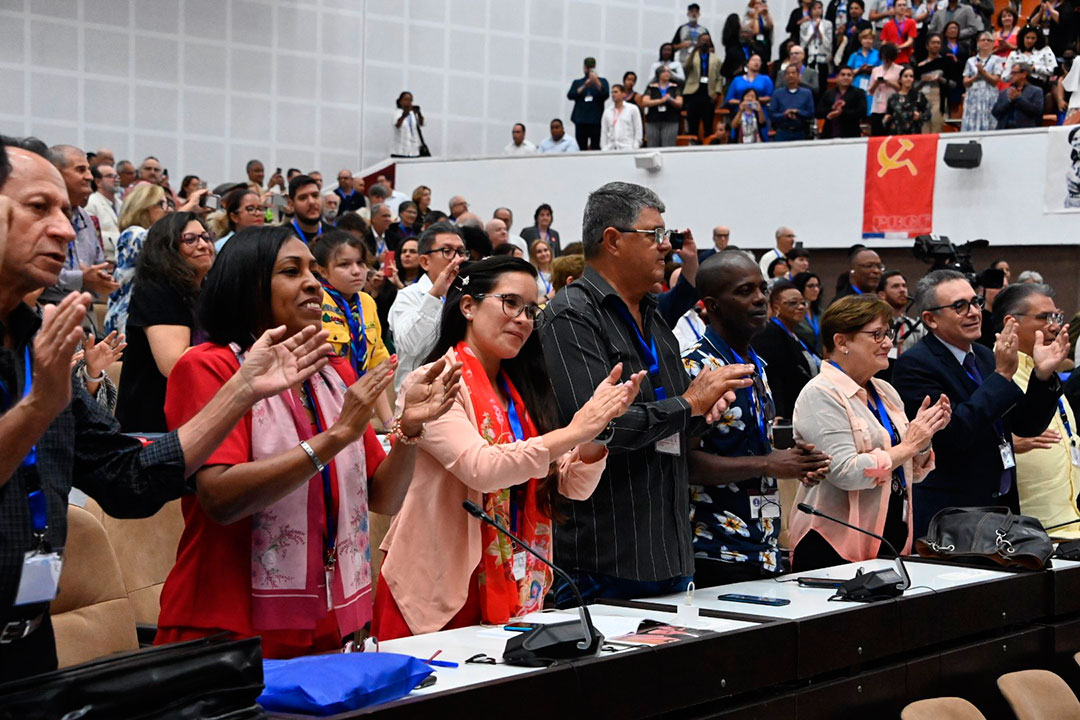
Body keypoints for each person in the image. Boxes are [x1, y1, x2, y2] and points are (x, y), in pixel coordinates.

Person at [0, 140, 335, 679]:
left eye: (66, 211)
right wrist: (39, 406)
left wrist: (241, 391)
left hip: (26, 645)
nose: (65, 230)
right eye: (40, 208)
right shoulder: (49, 360)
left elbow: (125, 478)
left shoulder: (37, 339)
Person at [154, 225, 457, 658]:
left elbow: (384, 497)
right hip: (228, 626)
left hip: (327, 619)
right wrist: (334, 439)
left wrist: (409, 430)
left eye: (314, 270)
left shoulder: (332, 373)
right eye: (291, 271)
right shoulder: (208, 367)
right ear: (248, 284)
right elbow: (220, 499)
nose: (313, 282)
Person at [372, 256, 641, 637]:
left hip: (513, 580)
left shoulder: (520, 392)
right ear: (468, 306)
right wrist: (576, 429)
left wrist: (597, 429)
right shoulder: (433, 383)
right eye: (510, 303)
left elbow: (573, 486)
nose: (523, 319)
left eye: (532, 309)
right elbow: (482, 469)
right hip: (440, 586)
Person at [540, 181, 754, 603]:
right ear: (614, 240)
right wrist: (689, 403)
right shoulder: (570, 316)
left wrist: (702, 412)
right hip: (604, 558)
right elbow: (601, 431)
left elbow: (673, 425)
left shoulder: (656, 320)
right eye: (654, 234)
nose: (666, 246)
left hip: (670, 549)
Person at [683, 254, 831, 586]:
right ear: (713, 305)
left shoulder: (756, 364)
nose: (760, 298)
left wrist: (796, 460)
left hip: (762, 545)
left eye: (762, 288)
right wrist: (767, 464)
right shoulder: (696, 368)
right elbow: (685, 463)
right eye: (745, 290)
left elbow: (747, 445)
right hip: (714, 549)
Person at [892, 270, 1069, 537]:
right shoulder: (915, 365)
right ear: (930, 319)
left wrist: (1042, 377)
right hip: (951, 512)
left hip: (1000, 503)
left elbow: (1025, 425)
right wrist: (1000, 377)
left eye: (975, 302)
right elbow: (952, 436)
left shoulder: (985, 356)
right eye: (959, 307)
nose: (974, 312)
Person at [790, 296, 950, 570]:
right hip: (832, 544)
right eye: (877, 334)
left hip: (890, 536)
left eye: (887, 333)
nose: (888, 343)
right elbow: (846, 472)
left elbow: (914, 470)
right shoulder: (821, 393)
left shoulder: (885, 391)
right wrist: (910, 445)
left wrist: (924, 438)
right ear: (842, 342)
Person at [991, 284, 1080, 540]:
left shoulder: (1047, 371)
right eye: (1044, 317)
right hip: (1028, 532)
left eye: (1056, 318)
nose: (1054, 326)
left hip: (1071, 523)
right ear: (1012, 322)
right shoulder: (996, 374)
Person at [114, 212, 213, 433]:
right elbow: (175, 364)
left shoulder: (206, 291)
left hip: (196, 416)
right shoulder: (156, 290)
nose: (204, 245)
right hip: (154, 426)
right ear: (166, 248)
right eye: (190, 239)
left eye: (206, 237)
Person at [312, 230, 393, 426]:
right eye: (344, 265)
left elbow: (376, 369)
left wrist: (390, 423)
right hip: (325, 412)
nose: (356, 271)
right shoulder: (315, 302)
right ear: (323, 271)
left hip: (361, 411)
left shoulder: (366, 302)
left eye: (361, 263)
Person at [389, 222, 468, 391]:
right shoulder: (408, 296)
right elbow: (411, 347)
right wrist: (434, 295)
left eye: (461, 252)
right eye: (447, 251)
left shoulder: (466, 297)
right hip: (419, 396)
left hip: (462, 390)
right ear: (425, 261)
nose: (456, 259)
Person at [104, 182, 169, 336]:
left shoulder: (164, 239)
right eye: (162, 204)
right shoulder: (130, 234)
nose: (168, 210)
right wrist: (184, 214)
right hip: (126, 322)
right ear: (145, 207)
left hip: (151, 316)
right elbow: (150, 241)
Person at [753, 281, 821, 419]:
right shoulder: (768, 335)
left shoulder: (796, 335)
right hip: (786, 412)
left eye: (803, 303)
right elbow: (774, 378)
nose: (801, 307)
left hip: (808, 406)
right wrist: (778, 414)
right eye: (793, 303)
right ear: (776, 307)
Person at [962, 33, 1008, 132]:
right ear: (978, 43)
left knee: (989, 120)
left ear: (992, 44)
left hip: (989, 95)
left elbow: (995, 80)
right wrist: (976, 76)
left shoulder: (996, 60)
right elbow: (965, 82)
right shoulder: (971, 61)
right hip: (973, 95)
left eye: (989, 40)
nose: (986, 42)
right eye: (983, 40)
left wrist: (983, 72)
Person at [683, 33, 724, 138]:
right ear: (698, 42)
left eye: (707, 40)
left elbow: (719, 77)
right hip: (693, 93)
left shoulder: (716, 59)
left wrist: (717, 92)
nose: (705, 42)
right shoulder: (693, 56)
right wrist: (693, 51)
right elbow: (686, 67)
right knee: (692, 123)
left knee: (708, 124)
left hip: (708, 94)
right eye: (702, 40)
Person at [916, 33, 959, 133]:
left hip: (938, 97)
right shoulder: (920, 65)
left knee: (936, 125)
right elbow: (914, 86)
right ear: (927, 46)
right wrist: (923, 80)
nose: (936, 45)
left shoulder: (946, 62)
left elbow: (954, 84)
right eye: (933, 43)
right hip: (923, 98)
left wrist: (940, 79)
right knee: (924, 128)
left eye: (938, 43)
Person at [878, 270, 926, 358]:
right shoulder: (875, 325)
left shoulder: (916, 326)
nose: (902, 290)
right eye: (895, 286)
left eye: (904, 286)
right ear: (882, 295)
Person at [567, 58, 610, 151]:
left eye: (591, 68)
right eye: (587, 68)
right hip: (581, 120)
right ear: (584, 68)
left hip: (596, 120)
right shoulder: (578, 82)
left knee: (596, 146)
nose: (588, 70)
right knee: (581, 147)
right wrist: (584, 86)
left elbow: (606, 94)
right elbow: (570, 95)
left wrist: (597, 82)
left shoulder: (602, 81)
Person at [818, 66, 870, 137]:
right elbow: (819, 112)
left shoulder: (859, 93)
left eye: (849, 75)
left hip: (851, 134)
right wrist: (832, 109)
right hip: (829, 134)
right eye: (843, 75)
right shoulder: (828, 93)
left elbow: (862, 112)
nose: (846, 77)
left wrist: (842, 112)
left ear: (852, 78)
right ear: (837, 77)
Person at [769, 64, 817, 141]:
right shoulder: (777, 93)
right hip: (782, 132)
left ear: (798, 76)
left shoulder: (807, 93)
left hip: (801, 132)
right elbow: (772, 114)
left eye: (793, 73)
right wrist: (784, 114)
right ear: (785, 76)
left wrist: (798, 112)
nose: (790, 75)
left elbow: (811, 113)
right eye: (788, 73)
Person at [993, 62, 1046, 129]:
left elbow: (1037, 111)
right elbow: (995, 112)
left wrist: (1018, 99)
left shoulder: (1036, 91)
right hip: (1004, 130)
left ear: (1024, 74)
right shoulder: (1004, 92)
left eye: (1014, 73)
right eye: (1011, 73)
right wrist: (1009, 101)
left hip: (1025, 131)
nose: (1011, 76)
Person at [641, 66, 685, 148]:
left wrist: (670, 99)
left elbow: (679, 103)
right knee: (652, 145)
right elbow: (644, 102)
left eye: (668, 71)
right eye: (664, 71)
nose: (667, 73)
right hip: (653, 120)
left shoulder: (675, 87)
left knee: (668, 145)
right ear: (659, 74)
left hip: (670, 120)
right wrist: (661, 100)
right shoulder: (651, 87)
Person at [86, 164, 122, 262]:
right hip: (103, 261)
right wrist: (122, 238)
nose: (116, 179)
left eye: (117, 176)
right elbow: (92, 235)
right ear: (98, 182)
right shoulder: (91, 202)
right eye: (110, 176)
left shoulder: (121, 203)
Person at [213, 187, 265, 252]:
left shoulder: (270, 242)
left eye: (260, 208)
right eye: (250, 209)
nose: (258, 213)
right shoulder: (222, 246)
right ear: (234, 217)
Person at [801, 0, 834, 97]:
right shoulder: (805, 25)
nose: (817, 11)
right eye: (814, 8)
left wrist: (819, 32)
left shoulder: (828, 24)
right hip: (810, 57)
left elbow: (828, 43)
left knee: (822, 84)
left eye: (819, 8)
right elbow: (803, 44)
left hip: (822, 58)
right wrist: (813, 32)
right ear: (810, 10)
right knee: (809, 84)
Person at [885, 66, 931, 134]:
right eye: (906, 76)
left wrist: (920, 116)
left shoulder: (919, 96)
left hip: (914, 133)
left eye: (911, 76)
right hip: (896, 134)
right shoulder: (893, 98)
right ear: (900, 80)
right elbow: (888, 115)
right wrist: (886, 119)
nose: (908, 79)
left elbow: (928, 114)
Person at [869, 43, 903, 134]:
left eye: (889, 57)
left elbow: (902, 89)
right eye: (884, 57)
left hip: (893, 107)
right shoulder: (875, 70)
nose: (886, 60)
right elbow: (870, 91)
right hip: (877, 107)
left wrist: (889, 82)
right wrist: (877, 82)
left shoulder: (900, 69)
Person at [600, 85, 644, 151]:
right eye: (612, 92)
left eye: (616, 92)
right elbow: (604, 131)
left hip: (628, 147)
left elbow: (638, 129)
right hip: (611, 148)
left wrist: (635, 146)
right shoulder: (607, 111)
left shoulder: (632, 109)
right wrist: (604, 148)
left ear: (623, 94)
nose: (613, 94)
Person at [847, 28, 882, 104]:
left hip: (872, 84)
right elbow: (848, 72)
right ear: (860, 40)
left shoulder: (878, 54)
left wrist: (873, 69)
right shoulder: (854, 55)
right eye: (865, 38)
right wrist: (859, 69)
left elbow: (882, 70)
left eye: (870, 39)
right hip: (856, 84)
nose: (867, 41)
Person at [288, 174, 325, 244]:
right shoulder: (279, 238)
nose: (311, 202)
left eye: (315, 195)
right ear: (291, 204)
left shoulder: (335, 236)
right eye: (303, 198)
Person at [794, 271, 825, 353]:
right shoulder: (793, 313)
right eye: (810, 286)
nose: (816, 289)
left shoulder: (821, 313)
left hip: (820, 358)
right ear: (800, 288)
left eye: (817, 286)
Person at [880, 0, 918, 64]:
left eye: (904, 5)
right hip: (891, 58)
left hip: (905, 57)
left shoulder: (911, 22)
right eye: (899, 5)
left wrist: (899, 47)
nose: (902, 7)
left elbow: (910, 40)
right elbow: (884, 42)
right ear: (894, 8)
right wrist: (891, 48)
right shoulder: (887, 25)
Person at [392, 92, 424, 158]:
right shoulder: (396, 113)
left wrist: (419, 113)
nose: (408, 102)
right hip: (400, 152)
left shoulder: (413, 114)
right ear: (400, 101)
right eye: (406, 99)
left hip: (414, 152)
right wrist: (404, 115)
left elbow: (421, 124)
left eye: (410, 100)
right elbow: (397, 125)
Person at [527, 238, 556, 302]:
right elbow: (529, 303)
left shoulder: (558, 272)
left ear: (550, 252)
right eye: (539, 252)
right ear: (534, 256)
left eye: (546, 250)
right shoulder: (532, 275)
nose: (543, 254)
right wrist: (548, 297)